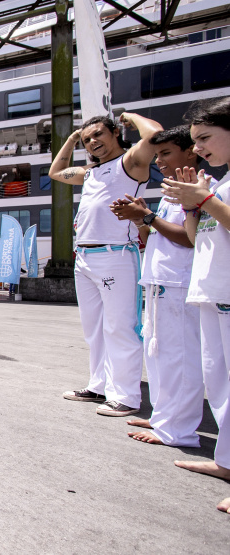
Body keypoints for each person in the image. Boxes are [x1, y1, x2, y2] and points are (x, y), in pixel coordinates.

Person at [54, 112, 163, 417]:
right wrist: (72, 139)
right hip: (84, 257)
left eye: (98, 134)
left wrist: (130, 117)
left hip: (116, 255)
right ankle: (99, 385)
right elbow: (56, 171)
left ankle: (126, 396)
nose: (93, 142)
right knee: (94, 329)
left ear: (115, 132)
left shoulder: (130, 163)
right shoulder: (90, 173)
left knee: (121, 327)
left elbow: (155, 135)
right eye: (87, 139)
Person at [110, 126, 203, 448]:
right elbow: (154, 239)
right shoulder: (170, 193)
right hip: (160, 282)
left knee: (180, 358)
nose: (159, 161)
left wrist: (147, 216)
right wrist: (138, 219)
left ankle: (178, 430)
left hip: (179, 283)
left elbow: (188, 238)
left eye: (166, 154)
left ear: (190, 152)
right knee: (158, 354)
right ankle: (164, 415)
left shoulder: (198, 189)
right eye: (157, 155)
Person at [161, 97, 230, 514]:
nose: (199, 147)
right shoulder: (219, 185)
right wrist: (192, 203)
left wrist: (202, 199)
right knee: (219, 383)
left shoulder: (216, 190)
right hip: (211, 291)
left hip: (225, 291)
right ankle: (227, 461)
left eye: (205, 138)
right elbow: (194, 234)